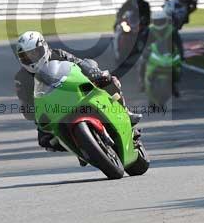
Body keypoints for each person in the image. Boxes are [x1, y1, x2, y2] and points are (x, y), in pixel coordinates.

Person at [13, 31, 143, 150]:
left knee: (109, 80)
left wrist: (94, 72)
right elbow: (26, 103)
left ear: (44, 47)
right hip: (53, 108)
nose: (31, 58)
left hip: (75, 90)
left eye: (35, 53)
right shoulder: (21, 78)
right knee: (45, 141)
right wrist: (30, 110)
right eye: (26, 56)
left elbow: (79, 63)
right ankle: (81, 148)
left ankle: (125, 112)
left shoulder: (58, 54)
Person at [139, 10, 184, 97]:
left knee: (178, 65)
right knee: (142, 62)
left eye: (161, 20)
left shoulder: (172, 30)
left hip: (169, 53)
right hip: (154, 53)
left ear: (166, 20)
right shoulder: (149, 30)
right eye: (157, 21)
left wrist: (181, 54)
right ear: (153, 21)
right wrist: (144, 51)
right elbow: (142, 43)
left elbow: (179, 44)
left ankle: (174, 84)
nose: (159, 22)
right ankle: (142, 82)